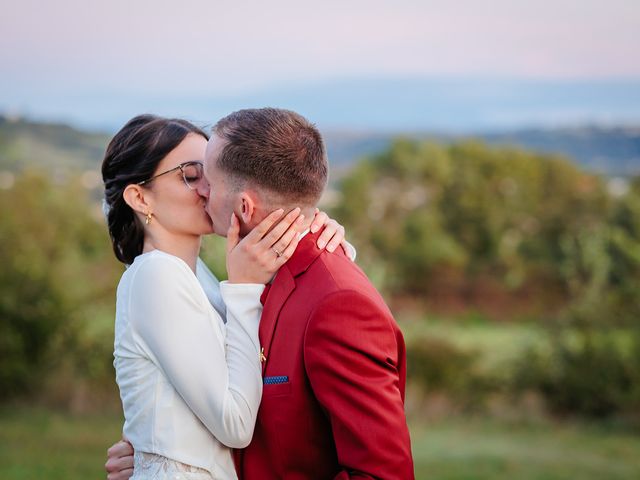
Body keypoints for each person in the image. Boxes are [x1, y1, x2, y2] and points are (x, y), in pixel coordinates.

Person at [107, 108, 414, 479]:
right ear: (140, 199)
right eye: (191, 176)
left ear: (244, 204)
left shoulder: (209, 277)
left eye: (208, 175)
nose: (204, 190)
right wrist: (155, 455)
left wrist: (311, 228)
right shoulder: (165, 275)